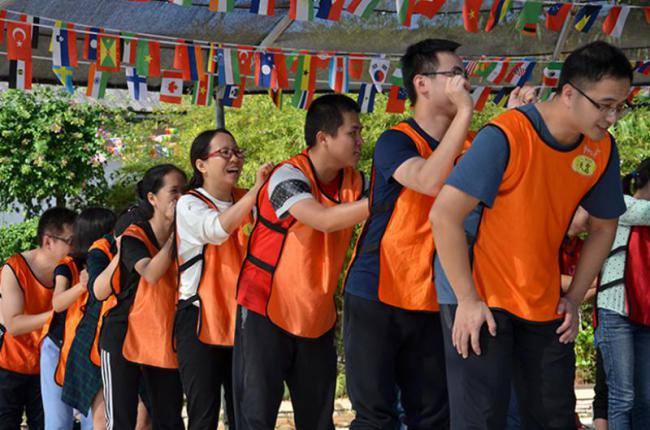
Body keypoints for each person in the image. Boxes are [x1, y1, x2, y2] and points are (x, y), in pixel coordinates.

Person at [430, 40, 632, 429]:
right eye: (605, 104)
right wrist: (467, 300)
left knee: (554, 417)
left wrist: (573, 299)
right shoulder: (507, 133)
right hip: (482, 299)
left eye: (619, 106)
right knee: (482, 419)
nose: (612, 117)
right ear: (569, 93)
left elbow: (605, 227)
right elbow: (444, 216)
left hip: (543, 303)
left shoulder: (602, 149)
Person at [233, 94, 368, 430]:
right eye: (353, 133)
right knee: (257, 417)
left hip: (316, 316)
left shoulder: (356, 182)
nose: (360, 141)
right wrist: (383, 201)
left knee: (318, 421)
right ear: (324, 138)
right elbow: (321, 219)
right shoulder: (286, 176)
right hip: (267, 309)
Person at [174, 129, 272, 430]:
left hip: (244, 319)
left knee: (246, 411)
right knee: (203, 416)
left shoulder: (249, 199)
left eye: (236, 152)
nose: (235, 159)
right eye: (224, 153)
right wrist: (256, 192)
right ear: (201, 165)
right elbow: (216, 230)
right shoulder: (189, 204)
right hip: (200, 318)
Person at [97, 164, 187, 430]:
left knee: (169, 416)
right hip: (122, 333)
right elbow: (150, 272)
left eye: (185, 191)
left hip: (161, 333)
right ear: (152, 198)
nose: (181, 198)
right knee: (121, 420)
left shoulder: (189, 233)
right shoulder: (134, 235)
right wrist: (175, 237)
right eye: (174, 191)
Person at [0, 207, 77, 430]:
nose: (75, 247)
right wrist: (58, 311)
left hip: (48, 367)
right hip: (9, 364)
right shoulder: (14, 268)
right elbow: (14, 324)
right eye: (71, 241)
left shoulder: (71, 269)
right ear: (48, 241)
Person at [40, 208, 116, 429]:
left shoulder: (111, 262)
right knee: (58, 422)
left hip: (90, 348)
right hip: (58, 347)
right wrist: (83, 286)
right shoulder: (69, 265)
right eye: (110, 231)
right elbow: (57, 303)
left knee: (94, 420)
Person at [595, 157, 650, 429]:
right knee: (622, 396)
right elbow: (645, 212)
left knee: (645, 398)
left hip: (645, 314)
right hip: (616, 311)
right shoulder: (623, 205)